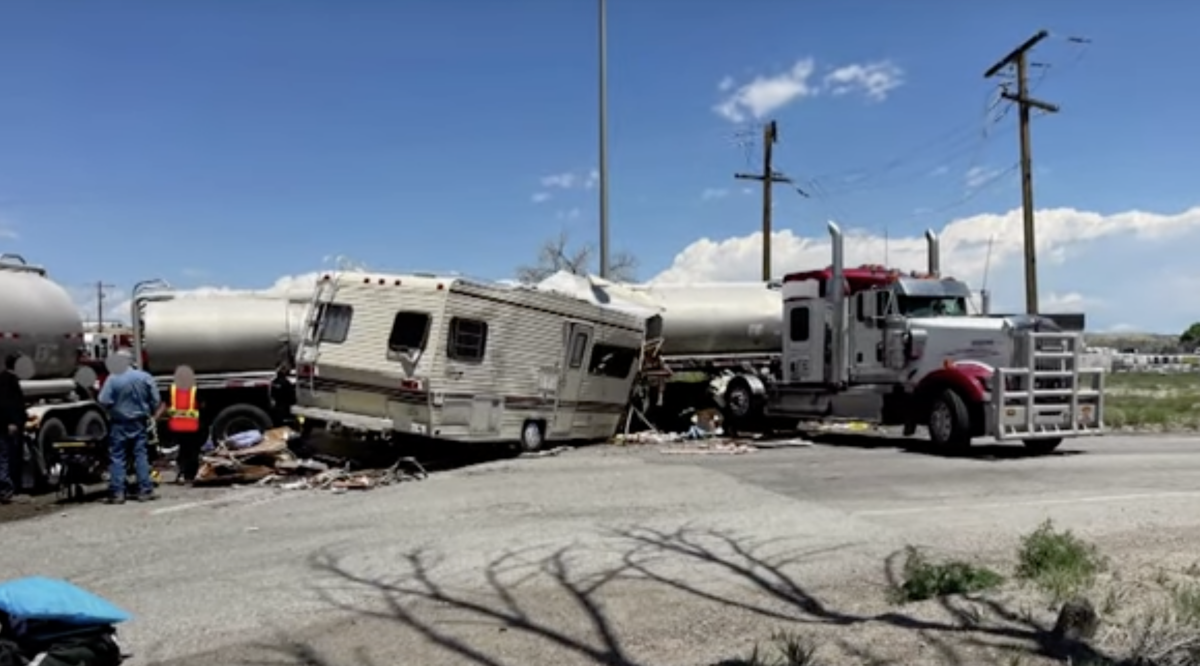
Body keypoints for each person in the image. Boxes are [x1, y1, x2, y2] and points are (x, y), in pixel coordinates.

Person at [97, 352, 160, 504]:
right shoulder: (144, 377)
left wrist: (113, 409)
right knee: (140, 455)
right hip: (139, 422)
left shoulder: (113, 379)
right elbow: (156, 400)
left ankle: (118, 493)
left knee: (118, 457)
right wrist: (149, 412)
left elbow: (103, 400)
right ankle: (145, 490)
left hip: (119, 423)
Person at [0, 354, 27, 504]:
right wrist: (11, 422)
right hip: (7, 426)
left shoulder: (5, 378)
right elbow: (7, 404)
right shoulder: (8, 381)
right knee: (6, 456)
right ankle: (6, 490)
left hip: (7, 424)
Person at [164, 377, 202, 485]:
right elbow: (201, 405)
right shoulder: (194, 389)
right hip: (192, 425)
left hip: (177, 426)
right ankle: (190, 475)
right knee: (192, 451)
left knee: (183, 451)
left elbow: (167, 406)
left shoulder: (172, 389)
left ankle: (182, 474)